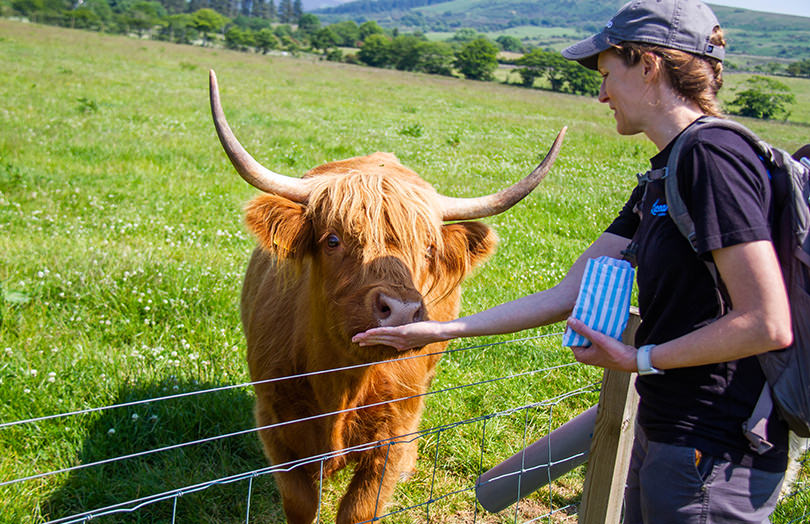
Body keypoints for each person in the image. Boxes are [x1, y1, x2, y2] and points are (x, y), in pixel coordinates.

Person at [352, 0, 795, 521]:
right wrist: (437, 331)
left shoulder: (710, 158)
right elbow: (569, 293)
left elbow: (766, 322)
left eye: (609, 73)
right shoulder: (664, 173)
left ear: (649, 66)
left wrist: (639, 360)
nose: (602, 93)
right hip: (668, 429)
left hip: (715, 445)